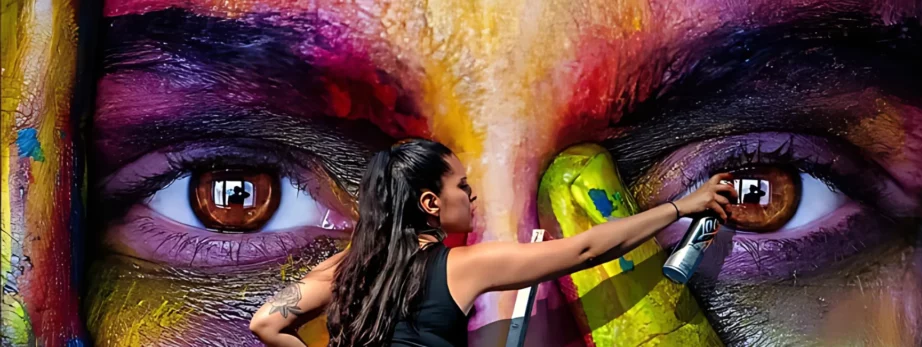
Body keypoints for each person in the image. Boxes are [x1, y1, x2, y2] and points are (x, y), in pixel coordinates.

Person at [248, 139, 736, 346]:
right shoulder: (459, 266)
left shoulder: (346, 267)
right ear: (431, 203)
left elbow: (267, 322)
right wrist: (678, 208)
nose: (471, 192)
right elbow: (584, 250)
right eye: (461, 185)